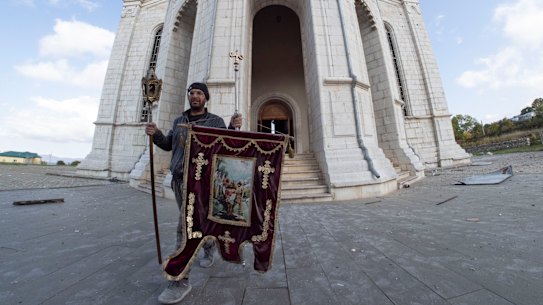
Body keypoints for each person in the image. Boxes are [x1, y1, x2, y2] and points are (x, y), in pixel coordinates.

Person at [145, 82, 242, 304]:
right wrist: (156, 133)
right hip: (179, 181)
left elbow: (225, 146)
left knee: (184, 229)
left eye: (199, 93)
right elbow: (169, 145)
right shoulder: (180, 121)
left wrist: (231, 127)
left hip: (201, 184)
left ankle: (179, 279)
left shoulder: (215, 122)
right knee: (193, 224)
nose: (195, 96)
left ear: (206, 98)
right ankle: (208, 247)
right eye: (192, 93)